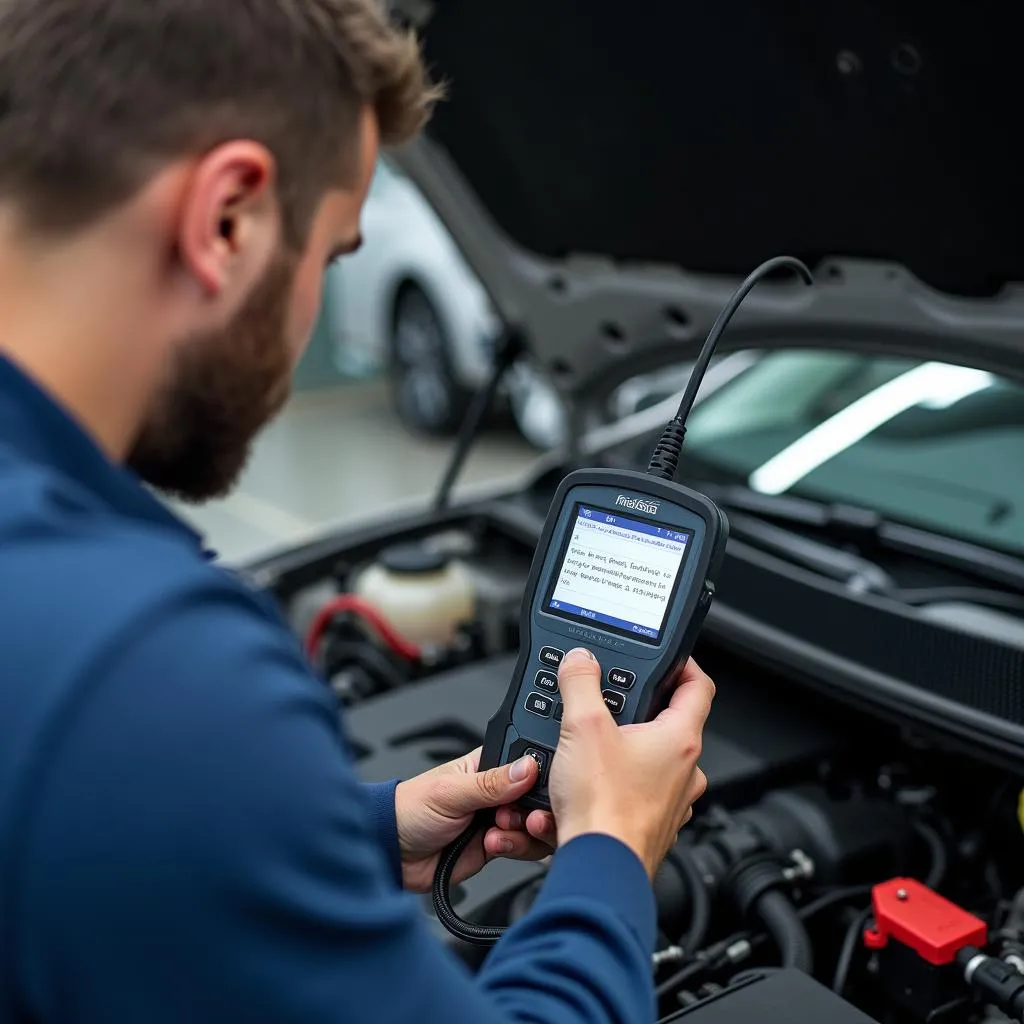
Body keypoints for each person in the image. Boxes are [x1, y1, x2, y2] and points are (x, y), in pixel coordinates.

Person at [0, 2, 715, 1022]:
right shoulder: (140, 665)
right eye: (333, 255)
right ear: (227, 219)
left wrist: (352, 834)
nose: (307, 327)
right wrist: (609, 853)